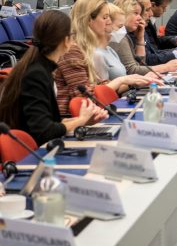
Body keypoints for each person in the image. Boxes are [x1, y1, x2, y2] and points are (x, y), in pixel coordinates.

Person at [0, 10, 108, 145]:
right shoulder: (36, 74)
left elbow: (51, 122)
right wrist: (80, 120)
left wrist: (83, 120)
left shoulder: (40, 66)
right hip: (32, 151)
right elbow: (44, 131)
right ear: (66, 40)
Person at [54, 0, 154, 116]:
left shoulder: (85, 48)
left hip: (91, 115)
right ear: (88, 20)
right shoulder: (72, 51)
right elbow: (85, 97)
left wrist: (133, 81)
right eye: (105, 17)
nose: (109, 22)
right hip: (75, 121)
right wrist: (122, 80)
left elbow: (99, 86)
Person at [109, 0, 177, 76]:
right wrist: (166, 67)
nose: (139, 18)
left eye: (140, 14)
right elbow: (132, 70)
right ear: (123, 13)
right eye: (136, 13)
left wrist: (140, 39)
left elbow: (141, 63)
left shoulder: (127, 34)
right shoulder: (118, 37)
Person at [131, 0, 177, 64]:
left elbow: (153, 51)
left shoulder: (142, 26)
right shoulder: (133, 30)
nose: (151, 14)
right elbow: (148, 60)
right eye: (147, 10)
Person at [93, 2, 128, 81]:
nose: (123, 30)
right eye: (120, 26)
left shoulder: (110, 50)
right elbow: (104, 86)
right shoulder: (96, 54)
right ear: (107, 24)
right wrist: (130, 82)